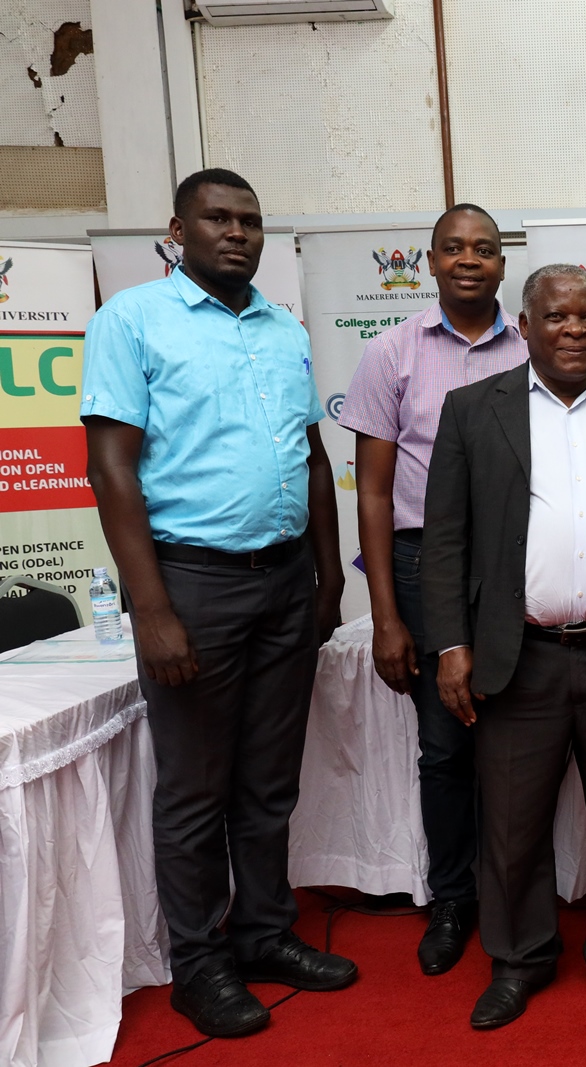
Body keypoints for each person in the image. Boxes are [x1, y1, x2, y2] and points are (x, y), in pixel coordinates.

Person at [81, 168, 354, 1038]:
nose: (237, 233)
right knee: (195, 788)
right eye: (218, 218)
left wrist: (329, 575)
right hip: (191, 581)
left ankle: (266, 934)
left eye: (250, 220)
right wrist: (151, 607)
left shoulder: (282, 330)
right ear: (178, 228)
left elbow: (312, 459)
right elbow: (112, 468)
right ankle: (199, 963)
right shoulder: (131, 321)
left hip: (285, 582)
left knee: (268, 783)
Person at [421, 264, 586, 1028]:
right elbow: (444, 540)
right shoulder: (475, 409)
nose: (574, 329)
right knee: (511, 823)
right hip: (519, 655)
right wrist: (450, 644)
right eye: (557, 317)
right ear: (526, 324)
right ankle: (519, 958)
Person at [338, 203, 526, 976]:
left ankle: (517, 893)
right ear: (431, 262)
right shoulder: (391, 353)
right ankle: (453, 898)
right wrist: (385, 614)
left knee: (518, 738)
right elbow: (374, 494)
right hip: (424, 567)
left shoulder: (533, 346)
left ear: (502, 265)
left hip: (518, 563)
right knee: (445, 744)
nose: (470, 260)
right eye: (454, 248)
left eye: (484, 248)